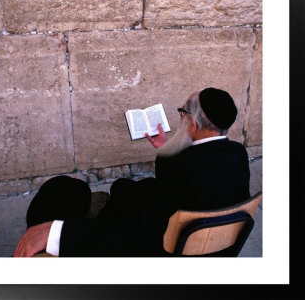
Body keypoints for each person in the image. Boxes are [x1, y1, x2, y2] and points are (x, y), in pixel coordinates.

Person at [14, 87, 250, 257]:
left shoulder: (180, 171)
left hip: (158, 248)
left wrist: (56, 233)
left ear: (195, 123)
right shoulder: (238, 154)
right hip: (213, 247)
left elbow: (134, 235)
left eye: (183, 113)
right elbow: (202, 172)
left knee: (62, 192)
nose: (181, 119)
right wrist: (167, 148)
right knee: (114, 189)